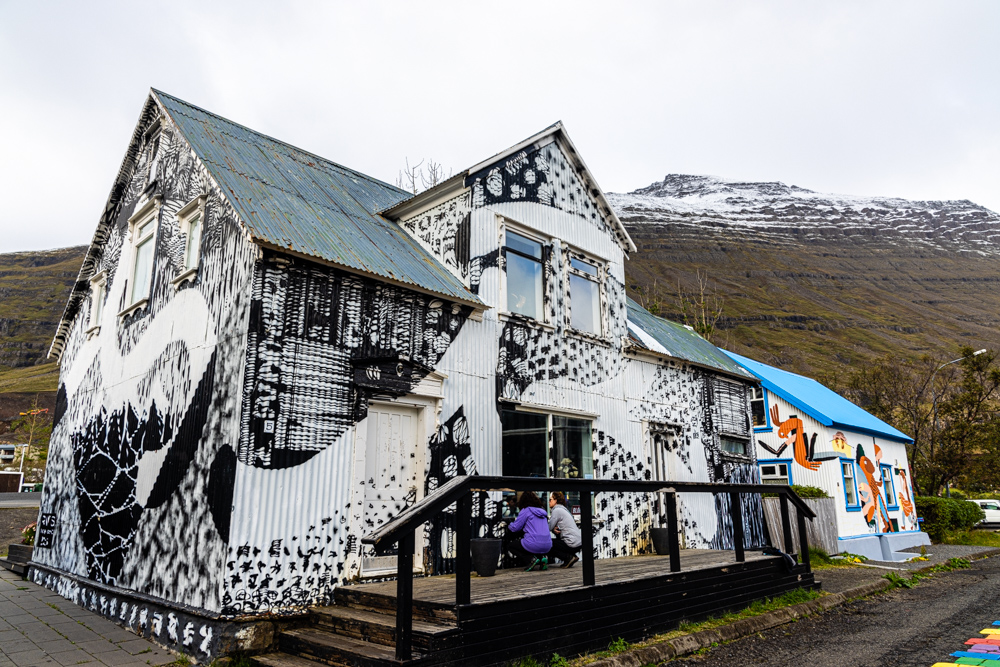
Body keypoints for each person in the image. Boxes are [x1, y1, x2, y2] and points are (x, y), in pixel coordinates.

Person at [506, 491, 553, 571]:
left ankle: (530, 559)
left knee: (512, 546)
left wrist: (508, 524)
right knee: (534, 542)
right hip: (548, 545)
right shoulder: (543, 512)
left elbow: (515, 528)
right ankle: (542, 559)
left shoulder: (526, 510)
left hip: (533, 544)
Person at [547, 491, 582, 568]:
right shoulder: (564, 509)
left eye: (550, 499)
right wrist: (554, 530)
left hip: (571, 542)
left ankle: (568, 557)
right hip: (578, 541)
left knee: (547, 544)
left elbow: (548, 527)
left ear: (555, 500)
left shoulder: (556, 510)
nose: (549, 502)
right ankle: (571, 557)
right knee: (557, 540)